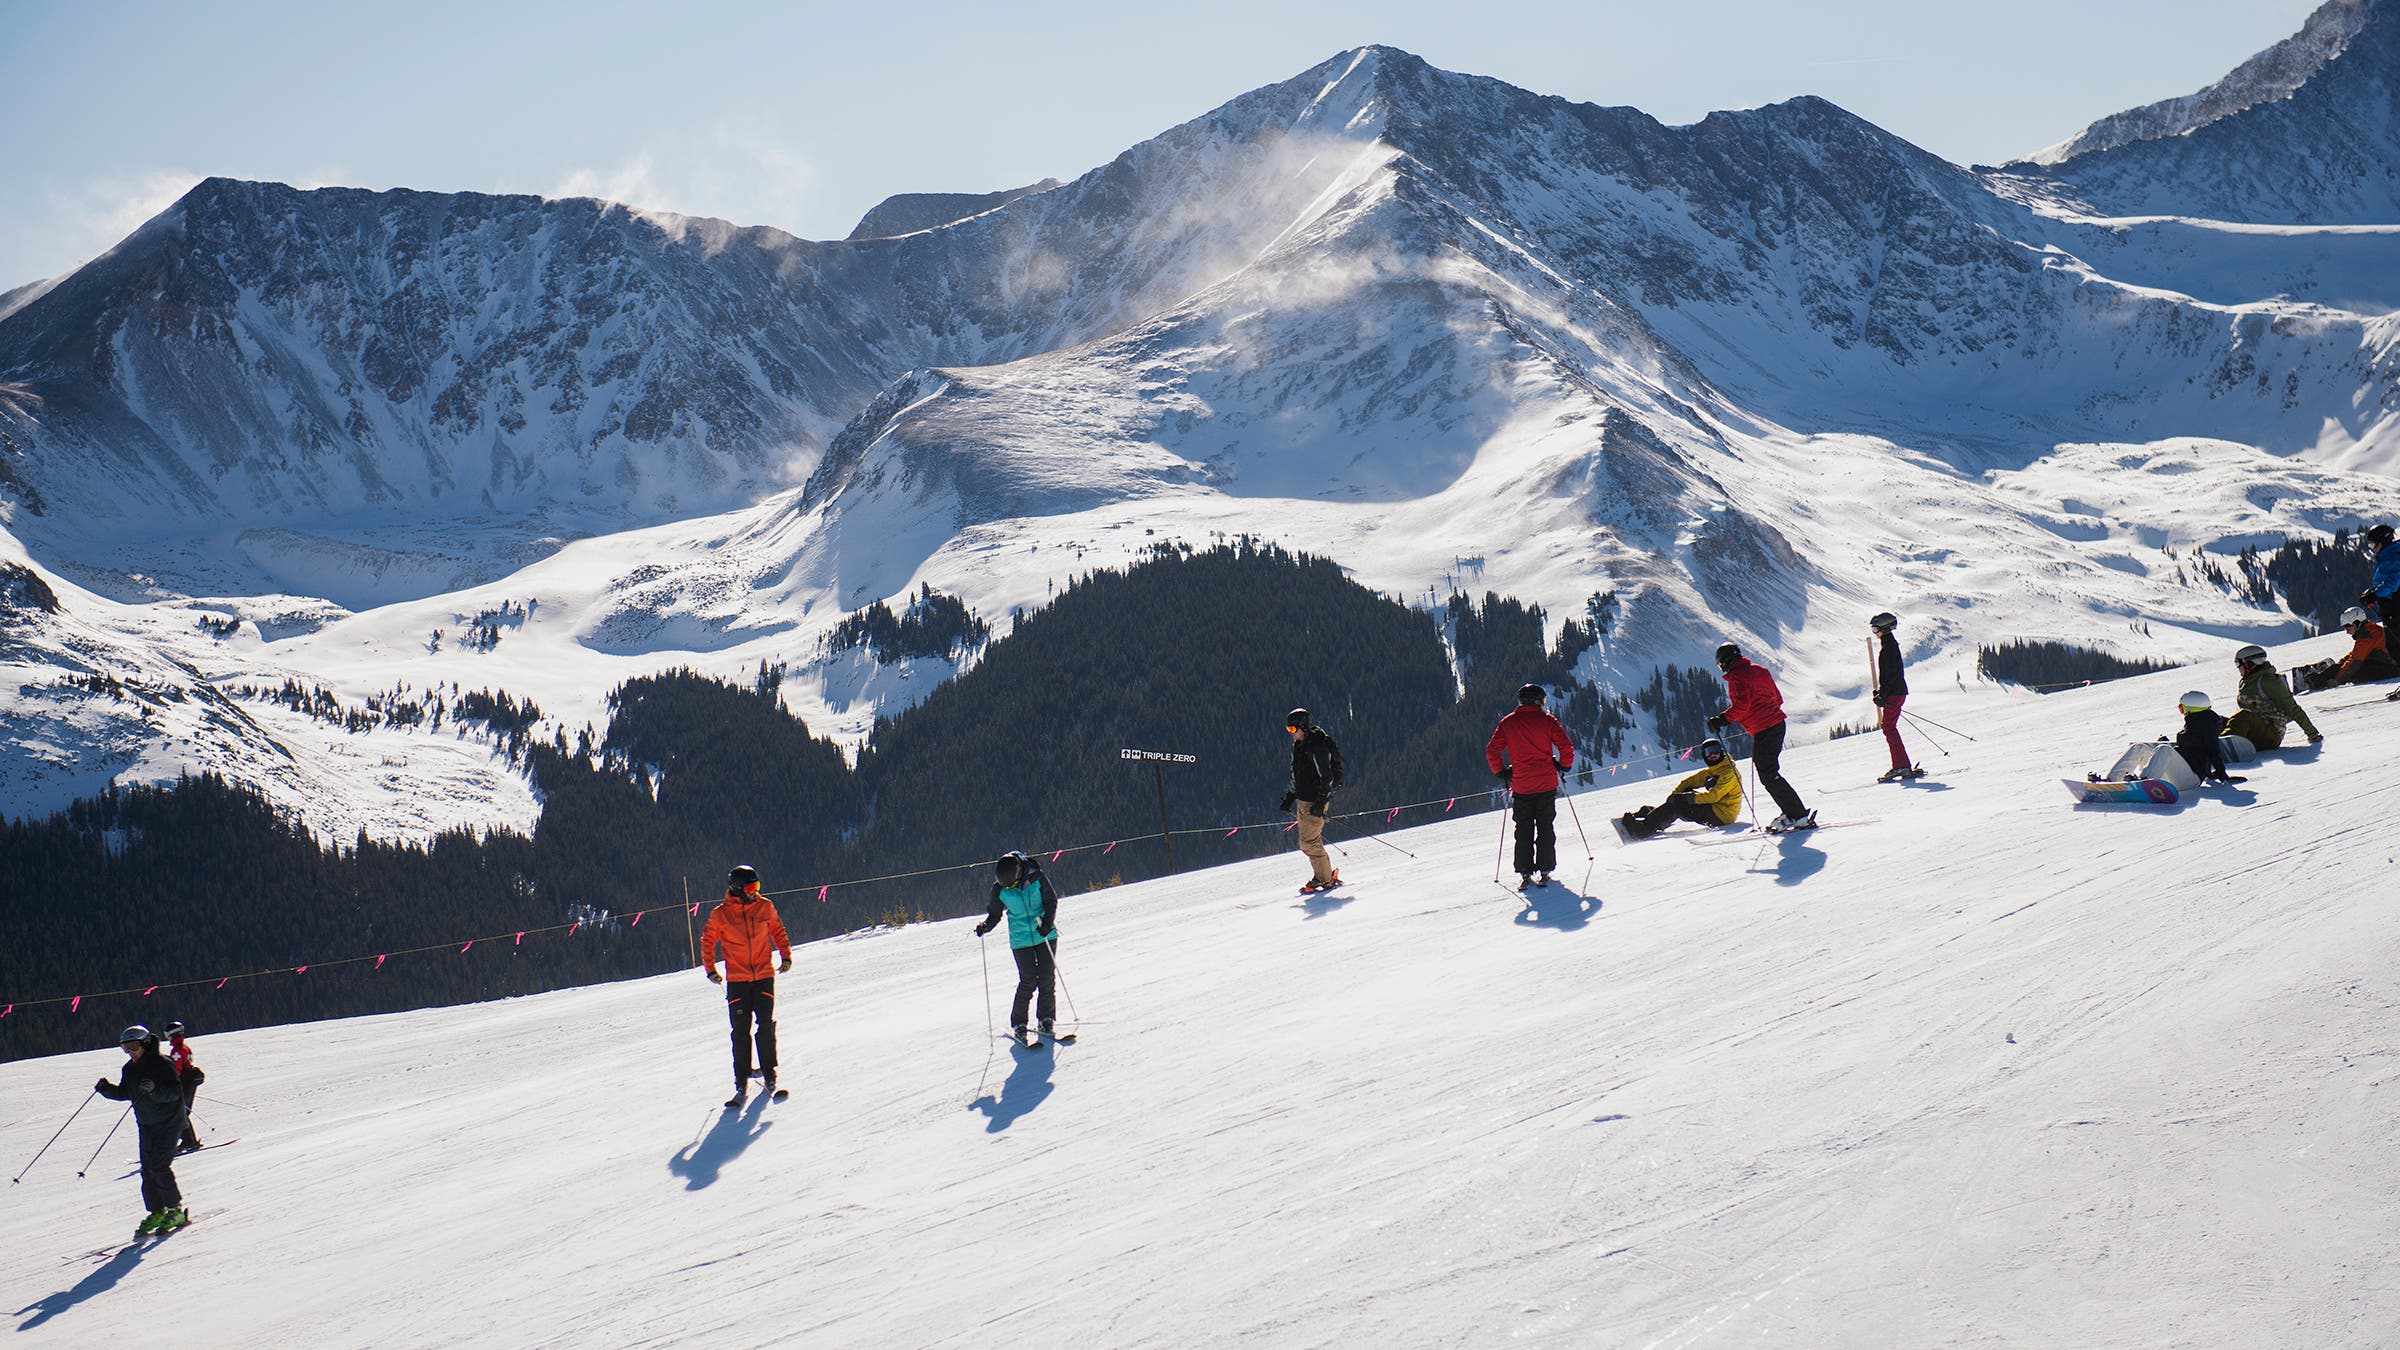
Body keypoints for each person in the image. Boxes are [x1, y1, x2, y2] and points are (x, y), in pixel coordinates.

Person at [700, 864, 792, 1108]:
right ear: (737, 889)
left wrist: (786, 956)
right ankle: (741, 1081)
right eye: (751, 887)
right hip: (738, 982)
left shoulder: (765, 907)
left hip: (763, 976)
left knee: (766, 1025)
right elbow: (708, 940)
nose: (755, 892)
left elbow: (778, 931)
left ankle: (769, 1073)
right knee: (740, 1032)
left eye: (757, 886)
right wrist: (710, 969)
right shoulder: (721, 914)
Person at [1709, 643, 1815, 831]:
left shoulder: (1737, 677)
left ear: (1725, 662)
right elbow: (1777, 697)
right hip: (1773, 724)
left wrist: (1722, 719)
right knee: (1769, 772)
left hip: (1765, 728)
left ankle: (1796, 814)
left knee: (1768, 774)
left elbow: (1743, 705)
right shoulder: (1760, 670)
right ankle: (1794, 812)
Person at [94, 1025, 188, 1235]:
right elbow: (126, 1092)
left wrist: (154, 1091)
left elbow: (174, 1092)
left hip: (169, 1122)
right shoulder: (130, 1069)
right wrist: (107, 1089)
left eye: (133, 1047)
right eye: (125, 1048)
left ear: (145, 1043)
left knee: (160, 1166)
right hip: (147, 1124)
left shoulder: (163, 1063)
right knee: (147, 1169)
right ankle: (157, 1211)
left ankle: (175, 1210)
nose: (130, 1052)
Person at [1486, 683, 1575, 887]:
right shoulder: (1547, 721)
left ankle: (1524, 871)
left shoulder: (1508, 723)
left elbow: (1492, 750)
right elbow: (1566, 746)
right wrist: (1563, 765)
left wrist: (1501, 772)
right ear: (1538, 701)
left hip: (1521, 786)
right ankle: (1545, 869)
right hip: (1545, 784)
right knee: (1545, 827)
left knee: (1523, 828)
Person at [976, 851, 1061, 1046]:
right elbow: (995, 915)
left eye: (1013, 884)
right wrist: (985, 927)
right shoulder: (999, 889)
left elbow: (1051, 900)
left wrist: (1047, 924)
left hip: (1044, 933)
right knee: (1028, 980)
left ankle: (1046, 1020)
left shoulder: (1036, 877)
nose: (1011, 888)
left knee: (1047, 977)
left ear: (1019, 873)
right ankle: (1019, 1024)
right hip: (1021, 940)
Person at [1619, 738, 1743, 838]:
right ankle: (1655, 816)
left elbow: (1714, 796)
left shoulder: (1728, 772)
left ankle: (1642, 830)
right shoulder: (1713, 770)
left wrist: (1682, 799)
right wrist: (1674, 797)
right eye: (1708, 752)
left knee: (1679, 806)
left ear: (1722, 751)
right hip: (1716, 809)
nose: (1712, 755)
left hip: (1722, 815)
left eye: (1715, 750)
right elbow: (1688, 782)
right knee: (1679, 800)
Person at [1278, 709, 1345, 893]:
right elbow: (1297, 776)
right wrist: (1290, 797)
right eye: (1288, 729)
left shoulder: (1317, 746)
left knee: (1308, 842)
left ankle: (1325, 879)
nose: (1291, 733)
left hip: (1315, 801)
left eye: (1292, 729)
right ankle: (1324, 876)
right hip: (1303, 801)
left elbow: (1327, 777)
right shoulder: (1299, 747)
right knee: (1310, 841)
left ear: (1303, 727)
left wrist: (1320, 802)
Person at [2225, 645, 2321, 750]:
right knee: (2218, 721)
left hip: (2271, 736)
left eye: (2239, 664)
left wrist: (2312, 733)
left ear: (2249, 663)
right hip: (2253, 731)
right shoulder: (2246, 682)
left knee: (2243, 715)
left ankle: (2226, 748)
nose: (2238, 668)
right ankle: (2211, 747)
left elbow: (2291, 707)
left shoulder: (2268, 681)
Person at [1867, 612, 1923, 782]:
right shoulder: (1889, 646)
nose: (1874, 632)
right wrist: (1881, 693)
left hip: (1894, 693)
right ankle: (1901, 764)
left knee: (1888, 727)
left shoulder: (1888, 649)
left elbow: (1890, 676)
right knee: (1889, 727)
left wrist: (1882, 694)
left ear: (1884, 628)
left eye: (1875, 628)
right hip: (1896, 691)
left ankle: (1901, 766)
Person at [2297, 607, 2399, 691]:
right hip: (2389, 665)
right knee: (2346, 668)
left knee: (2356, 671)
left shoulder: (2367, 635)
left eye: (2348, 627)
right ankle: (2319, 677)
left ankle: (2315, 681)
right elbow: (2355, 654)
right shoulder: (2369, 630)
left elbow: (2354, 663)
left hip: (2392, 669)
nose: (2347, 632)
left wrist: (2337, 680)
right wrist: (2339, 663)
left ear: (2357, 623)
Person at [2171, 691, 2244, 785]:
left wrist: (2222, 775)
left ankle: (2147, 780)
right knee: (2153, 749)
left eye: (2182, 709)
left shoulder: (2204, 726)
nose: (2182, 713)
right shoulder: (2200, 723)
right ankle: (2149, 778)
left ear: (2190, 709)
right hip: (2186, 771)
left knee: (2163, 750)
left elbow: (2212, 750)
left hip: (2190, 776)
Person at [165, 1021, 205, 1153]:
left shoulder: (177, 1050)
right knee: (182, 1112)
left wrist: (170, 1082)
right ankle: (188, 1141)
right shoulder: (184, 1047)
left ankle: (189, 1141)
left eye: (168, 1035)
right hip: (189, 1081)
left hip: (184, 1082)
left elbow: (176, 1069)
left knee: (180, 1112)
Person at [2362, 523, 2400, 637]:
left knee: (2395, 648)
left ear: (2383, 541)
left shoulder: (2392, 556)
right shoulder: (2387, 556)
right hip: (2390, 608)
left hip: (2395, 608)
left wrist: (2375, 594)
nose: (2372, 549)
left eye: (2373, 545)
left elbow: (2394, 581)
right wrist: (2373, 592)